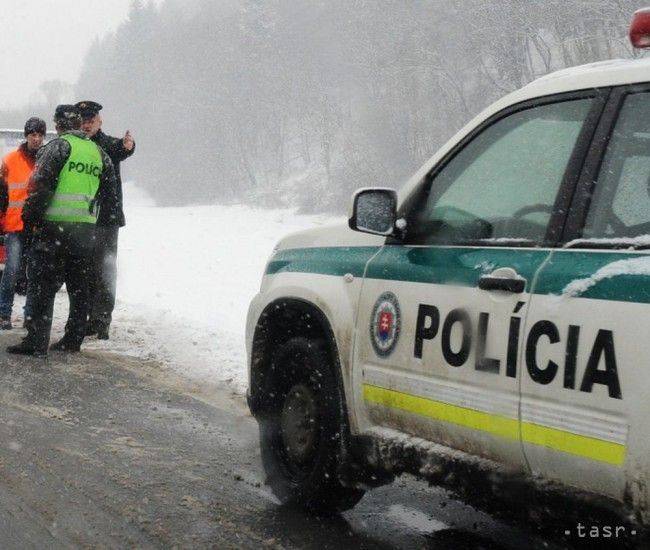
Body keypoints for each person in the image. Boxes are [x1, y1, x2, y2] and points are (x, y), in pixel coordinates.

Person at [6, 105, 117, 356]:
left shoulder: (58, 147)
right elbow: (109, 193)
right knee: (79, 288)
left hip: (54, 229)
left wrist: (30, 219)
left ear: (57, 125)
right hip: (85, 232)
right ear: (79, 123)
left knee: (42, 287)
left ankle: (37, 341)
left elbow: (40, 186)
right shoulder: (97, 152)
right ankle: (73, 339)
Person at [76, 101, 135, 340]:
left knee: (105, 270)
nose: (87, 125)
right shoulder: (75, 145)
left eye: (91, 121)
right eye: (84, 121)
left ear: (99, 123)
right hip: (82, 218)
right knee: (85, 270)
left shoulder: (107, 144)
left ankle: (101, 321)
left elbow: (121, 149)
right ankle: (88, 316)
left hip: (106, 219)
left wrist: (128, 146)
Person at [0, 117, 46, 329]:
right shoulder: (10, 160)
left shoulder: (48, 159)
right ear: (26, 136)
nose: (36, 139)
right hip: (15, 225)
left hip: (37, 226)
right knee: (11, 271)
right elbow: (1, 194)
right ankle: (4, 314)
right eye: (32, 134)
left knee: (34, 275)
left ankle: (29, 316)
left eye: (39, 135)